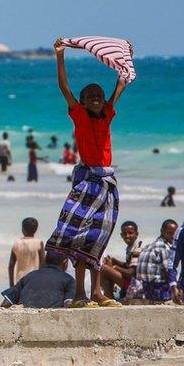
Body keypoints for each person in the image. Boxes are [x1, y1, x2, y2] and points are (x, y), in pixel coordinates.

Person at [46, 38, 129, 308]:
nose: (96, 99)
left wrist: (125, 59)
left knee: (98, 238)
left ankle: (97, 293)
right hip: (87, 182)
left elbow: (121, 83)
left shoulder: (107, 113)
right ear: (81, 102)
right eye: (90, 96)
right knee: (79, 237)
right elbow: (63, 87)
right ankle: (80, 293)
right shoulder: (78, 115)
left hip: (106, 183)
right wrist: (60, 56)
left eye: (99, 96)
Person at [0, 251, 76, 309]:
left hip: (25, 318)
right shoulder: (69, 280)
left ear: (45, 260)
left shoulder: (29, 276)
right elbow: (68, 305)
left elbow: (5, 304)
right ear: (65, 263)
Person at [134, 219, 181, 304]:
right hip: (156, 288)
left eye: (175, 234)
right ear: (162, 231)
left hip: (143, 287)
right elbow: (168, 271)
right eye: (170, 233)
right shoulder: (163, 247)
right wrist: (175, 288)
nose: (173, 237)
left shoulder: (150, 245)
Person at [100, 221, 143, 300]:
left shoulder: (137, 249)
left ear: (136, 234)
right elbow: (128, 265)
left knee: (104, 269)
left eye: (130, 233)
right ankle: (110, 297)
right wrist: (114, 261)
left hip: (136, 285)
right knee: (108, 265)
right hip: (133, 281)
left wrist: (115, 267)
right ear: (121, 235)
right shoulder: (130, 247)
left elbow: (131, 273)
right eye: (124, 234)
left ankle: (109, 298)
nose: (127, 236)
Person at [8, 217, 44, 287]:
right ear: (36, 230)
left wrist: (11, 285)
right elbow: (43, 263)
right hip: (34, 280)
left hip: (20, 280)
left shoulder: (17, 243)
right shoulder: (39, 243)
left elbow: (11, 266)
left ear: (23, 229)